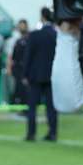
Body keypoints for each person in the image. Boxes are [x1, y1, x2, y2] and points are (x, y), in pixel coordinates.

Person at [23, 7, 58, 141]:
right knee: (51, 107)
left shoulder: (35, 35)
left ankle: (31, 133)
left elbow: (28, 56)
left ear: (42, 17)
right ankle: (53, 133)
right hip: (52, 75)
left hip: (35, 75)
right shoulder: (56, 34)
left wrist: (25, 74)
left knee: (32, 107)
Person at [7, 19, 29, 105]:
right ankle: (17, 102)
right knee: (17, 86)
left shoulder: (29, 38)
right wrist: (9, 67)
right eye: (20, 26)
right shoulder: (15, 40)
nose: (21, 28)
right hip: (17, 68)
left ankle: (24, 103)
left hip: (26, 67)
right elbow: (11, 55)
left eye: (23, 26)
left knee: (24, 87)